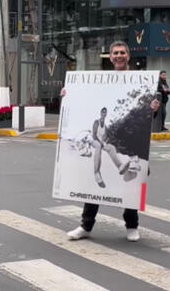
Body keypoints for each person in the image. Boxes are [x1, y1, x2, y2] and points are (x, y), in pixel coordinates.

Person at [65, 40, 159, 242]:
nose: (119, 56)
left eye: (122, 52)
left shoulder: (140, 81)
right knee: (92, 191)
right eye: (115, 52)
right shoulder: (100, 82)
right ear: (110, 56)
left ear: (128, 56)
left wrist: (153, 109)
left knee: (135, 186)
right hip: (107, 140)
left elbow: (145, 118)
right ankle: (86, 225)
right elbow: (82, 101)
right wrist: (68, 96)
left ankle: (132, 225)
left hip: (129, 139)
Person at [91, 107, 131, 188]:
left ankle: (120, 166)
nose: (104, 114)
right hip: (94, 141)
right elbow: (94, 135)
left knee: (111, 147)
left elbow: (105, 137)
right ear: (100, 113)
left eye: (105, 112)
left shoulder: (105, 126)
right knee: (98, 146)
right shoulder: (96, 122)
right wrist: (101, 142)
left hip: (101, 142)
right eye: (102, 112)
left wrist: (106, 142)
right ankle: (96, 173)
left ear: (106, 114)